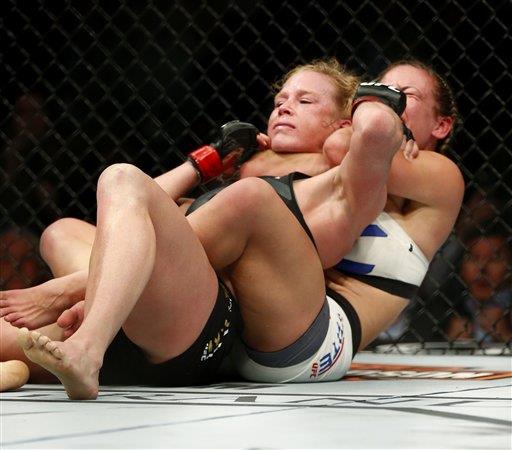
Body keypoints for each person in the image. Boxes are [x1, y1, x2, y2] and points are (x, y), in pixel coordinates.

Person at [1, 58, 464, 394]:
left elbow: (354, 145)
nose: (387, 96)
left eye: (404, 94)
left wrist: (374, 110)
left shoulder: (431, 174)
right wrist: (205, 163)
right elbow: (131, 216)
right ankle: (60, 340)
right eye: (379, 88)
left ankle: (78, 295)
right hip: (228, 313)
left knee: (252, 199)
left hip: (312, 336)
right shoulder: (275, 166)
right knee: (68, 228)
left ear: (441, 125)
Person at [446, 221, 512, 343]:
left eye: (494, 258)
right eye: (474, 258)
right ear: (461, 267)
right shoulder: (446, 307)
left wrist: (505, 336)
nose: (482, 268)